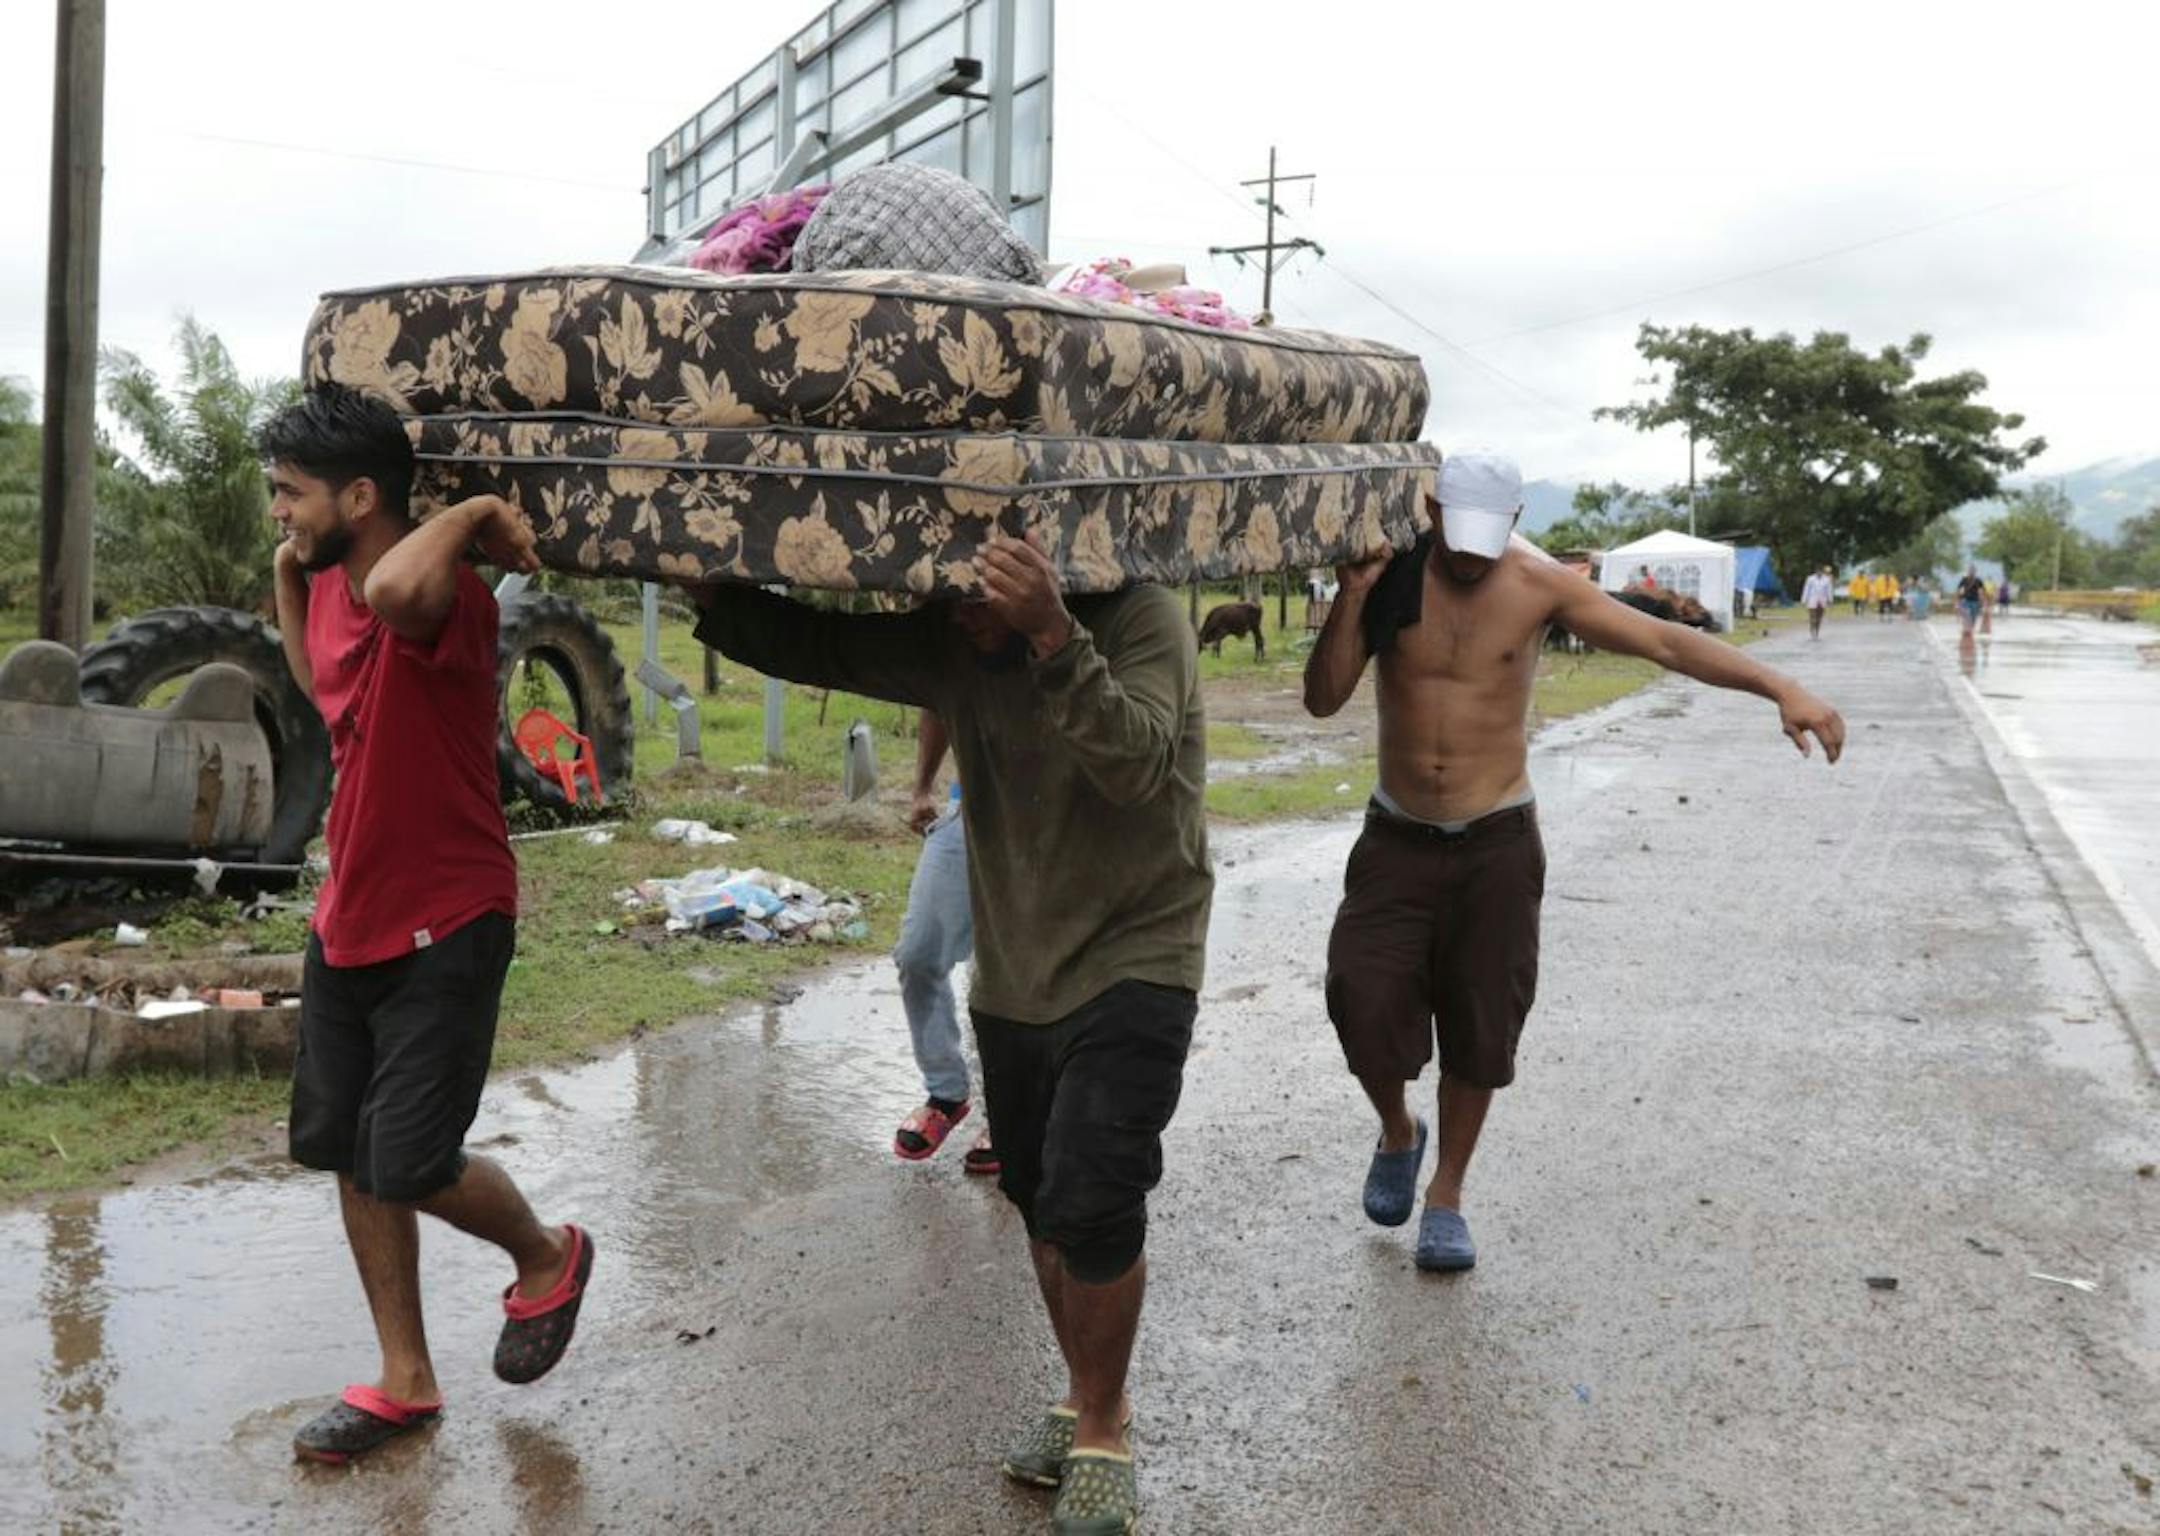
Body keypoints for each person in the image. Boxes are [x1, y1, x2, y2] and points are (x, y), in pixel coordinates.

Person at [685, 536, 1210, 1536]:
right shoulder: (954, 640)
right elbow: (823, 648)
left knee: (1095, 1194)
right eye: (942, 590)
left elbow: (1141, 764)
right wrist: (712, 584)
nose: (955, 612)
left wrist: (1054, 633)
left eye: (978, 595)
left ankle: (1104, 1424)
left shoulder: (1143, 622)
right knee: (1039, 1199)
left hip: (1139, 948)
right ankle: (1080, 1392)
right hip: (1018, 964)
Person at [1304, 451, 1844, 1274]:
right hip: (1397, 838)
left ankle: (1446, 1195)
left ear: (1516, 521)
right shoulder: (1390, 575)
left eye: (1491, 537)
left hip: (1495, 842)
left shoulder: (1540, 585)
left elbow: (1665, 642)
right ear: (1429, 506)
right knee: (1361, 998)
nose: (1472, 555)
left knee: (1482, 1024)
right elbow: (1323, 696)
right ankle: (1397, 1130)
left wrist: (1779, 687)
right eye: (1456, 533)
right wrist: (1351, 595)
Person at [261, 385, 593, 1464]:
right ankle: (405, 1378)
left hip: (449, 919)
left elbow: (403, 581)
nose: (278, 514)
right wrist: (287, 569)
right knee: (349, 1156)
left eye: (290, 496)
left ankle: (547, 1255)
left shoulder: (450, 597)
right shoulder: (326, 584)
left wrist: (475, 514)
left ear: (363, 496)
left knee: (406, 1159)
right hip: (348, 917)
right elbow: (320, 683)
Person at [891, 709, 998, 1176]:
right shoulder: (962, 640)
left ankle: (1010, 1112)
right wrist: (922, 788)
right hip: (966, 813)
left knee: (1005, 972)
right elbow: (939, 702)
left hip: (1049, 822)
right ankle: (947, 1093)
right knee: (918, 952)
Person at [1800, 565, 1835, 639]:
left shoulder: (1826, 579)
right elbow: (1806, 589)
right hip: (1812, 600)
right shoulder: (1810, 579)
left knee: (1819, 618)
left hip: (1822, 600)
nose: (1819, 573)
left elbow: (1829, 590)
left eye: (1820, 571)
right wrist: (1804, 600)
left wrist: (1830, 600)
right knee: (1813, 618)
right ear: (1815, 571)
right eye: (1817, 571)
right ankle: (1812, 631)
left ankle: (1817, 632)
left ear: (1822, 572)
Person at [1956, 567, 1986, 633]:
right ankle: (1966, 627)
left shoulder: (1978, 580)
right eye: (1970, 571)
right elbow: (1959, 588)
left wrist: (1983, 600)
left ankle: (1971, 628)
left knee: (1974, 616)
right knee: (1966, 614)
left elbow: (1982, 590)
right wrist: (1958, 598)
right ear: (1968, 572)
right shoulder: (1964, 579)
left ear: (1975, 572)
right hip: (1966, 600)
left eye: (1973, 571)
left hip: (1975, 601)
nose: (1971, 572)